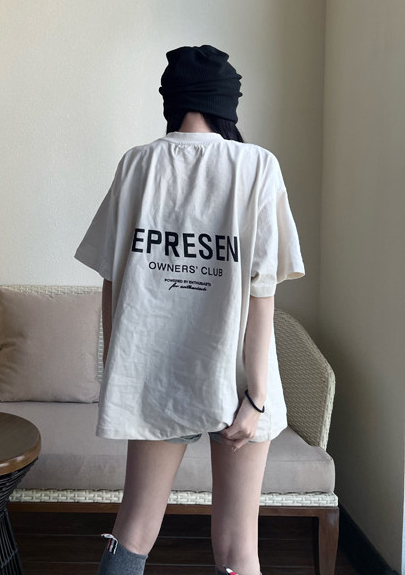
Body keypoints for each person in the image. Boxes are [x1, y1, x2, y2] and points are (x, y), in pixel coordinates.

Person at [74, 45, 305, 575]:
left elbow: (112, 280)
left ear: (172, 100)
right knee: (238, 548)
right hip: (240, 380)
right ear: (227, 102)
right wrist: (258, 396)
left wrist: (120, 371)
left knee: (133, 530)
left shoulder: (137, 164)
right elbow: (262, 290)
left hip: (156, 377)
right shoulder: (257, 166)